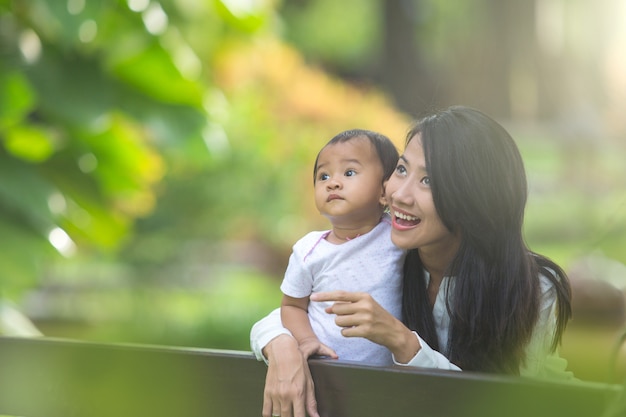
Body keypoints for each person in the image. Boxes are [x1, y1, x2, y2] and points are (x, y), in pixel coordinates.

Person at [250, 106, 573, 417]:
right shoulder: (388, 255)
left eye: (428, 181)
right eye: (401, 170)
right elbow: (295, 309)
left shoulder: (529, 289)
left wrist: (403, 342)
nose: (399, 194)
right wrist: (282, 346)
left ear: (473, 198)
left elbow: (509, 407)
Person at [280, 129, 404, 366]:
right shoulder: (309, 251)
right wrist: (306, 340)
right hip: (325, 372)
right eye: (323, 176)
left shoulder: (396, 237)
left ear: (384, 191)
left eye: (349, 172)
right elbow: (292, 306)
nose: (333, 183)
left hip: (388, 379)